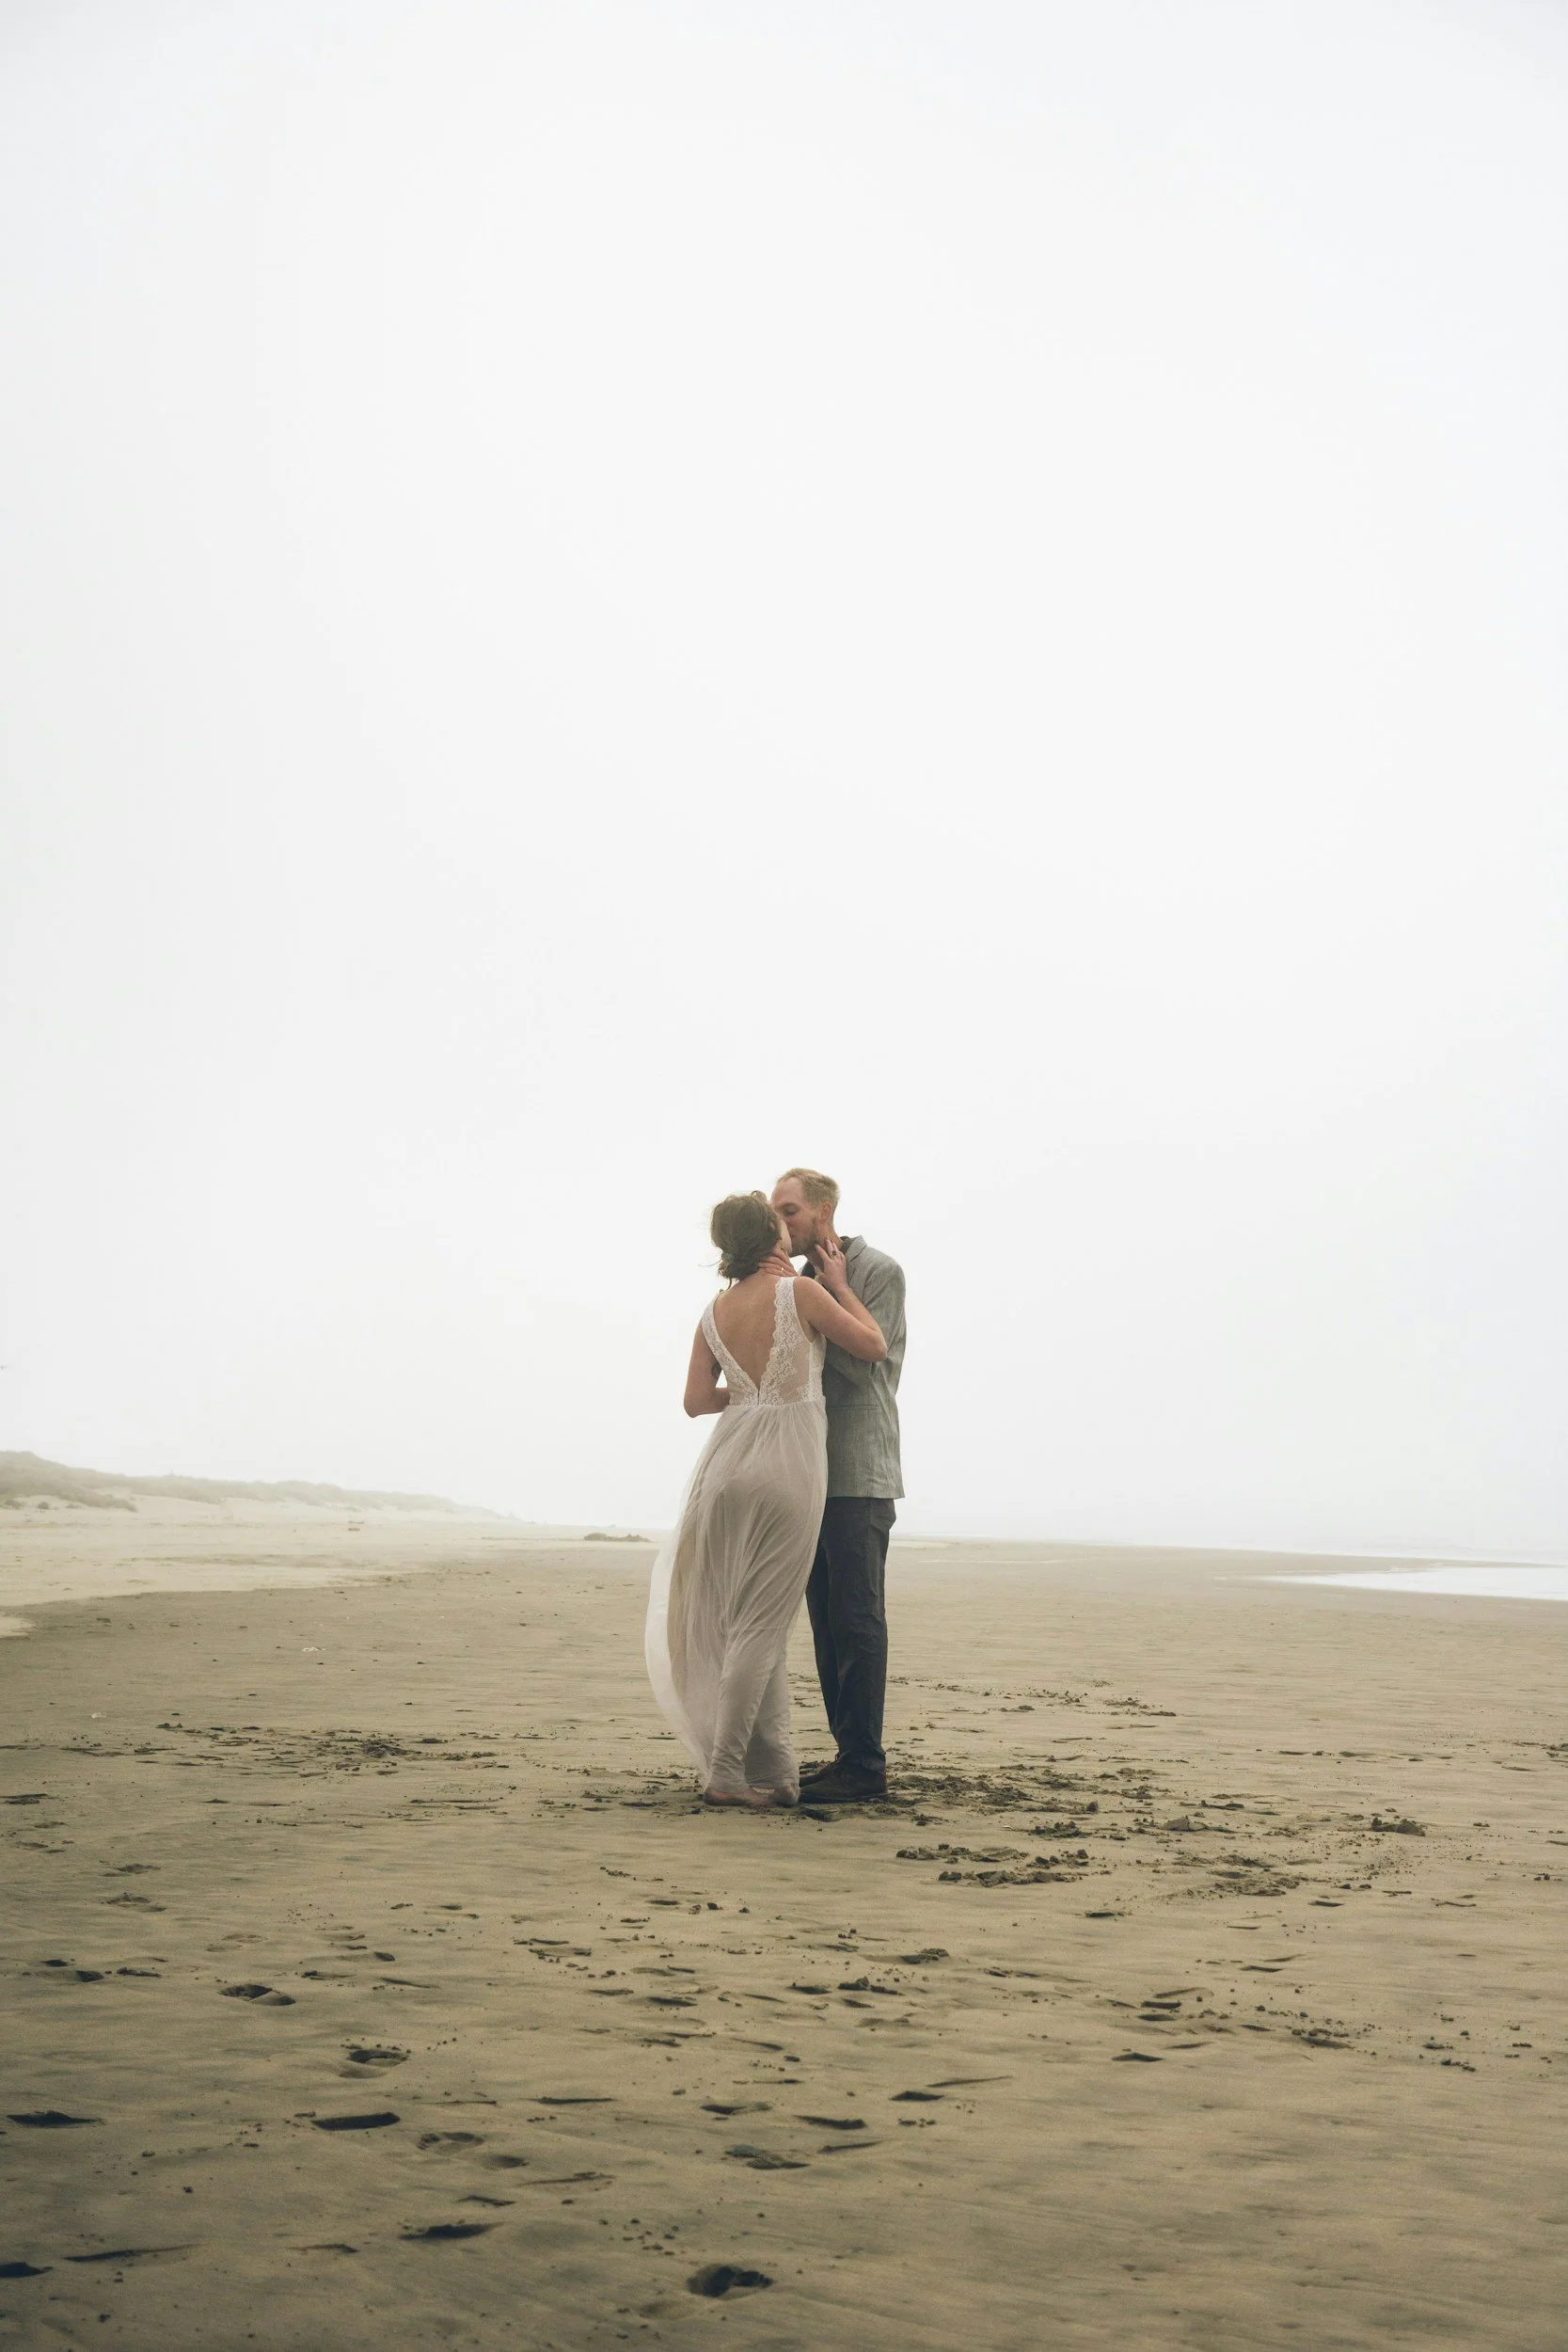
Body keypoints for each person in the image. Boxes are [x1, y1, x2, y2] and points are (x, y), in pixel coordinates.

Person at [644, 1191, 887, 1809]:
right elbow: (872, 1346)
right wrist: (837, 1284)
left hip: (724, 1465)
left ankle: (775, 1772)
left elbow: (697, 1402)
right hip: (786, 1465)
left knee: (749, 1621)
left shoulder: (713, 1310)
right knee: (761, 1623)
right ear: (771, 1237)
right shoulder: (799, 1293)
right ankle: (725, 1776)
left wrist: (751, 1396)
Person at [770, 1168, 906, 1804]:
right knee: (825, 1623)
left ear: (824, 1210)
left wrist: (831, 1295)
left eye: (790, 1210)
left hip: (858, 1470)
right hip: (809, 1472)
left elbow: (864, 1367)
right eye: (774, 1212)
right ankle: (847, 1755)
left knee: (856, 1619)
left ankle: (865, 1765)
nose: (781, 1223)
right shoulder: (794, 1284)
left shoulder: (877, 1270)